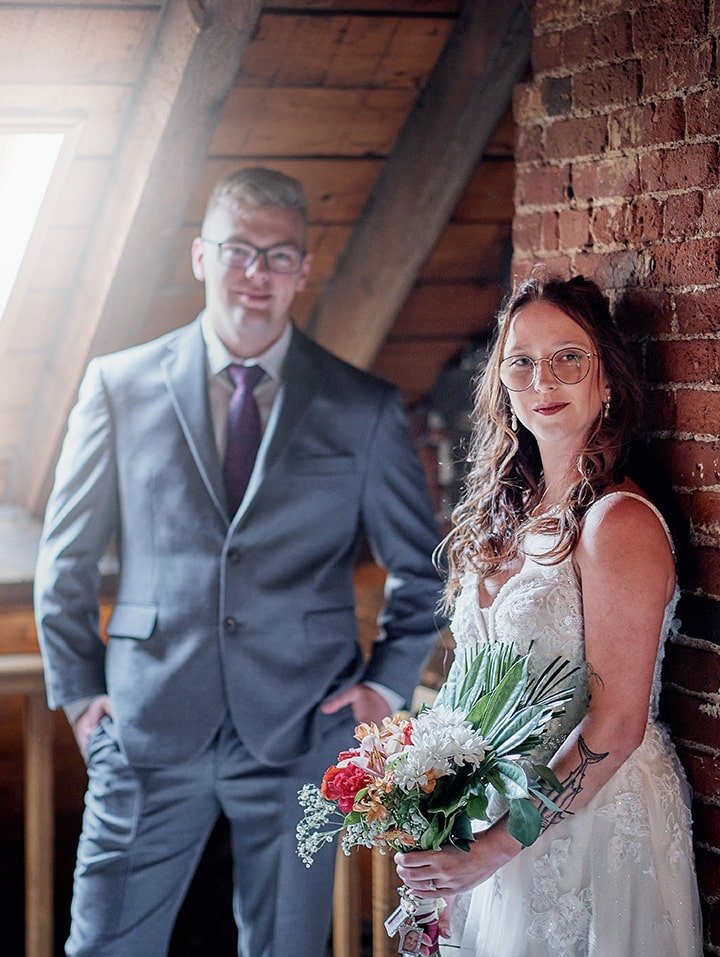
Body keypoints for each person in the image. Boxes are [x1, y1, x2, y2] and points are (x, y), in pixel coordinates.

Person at [34, 166, 442, 957]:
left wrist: (384, 687)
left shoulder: (361, 406)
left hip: (304, 729)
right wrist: (82, 698)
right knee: (104, 945)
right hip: (144, 725)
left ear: (303, 269)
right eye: (238, 251)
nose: (257, 274)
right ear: (201, 256)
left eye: (279, 255)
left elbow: (422, 570)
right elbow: (65, 562)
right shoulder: (116, 386)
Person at [395, 273, 703, 956]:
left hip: (592, 826)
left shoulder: (615, 523)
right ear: (502, 385)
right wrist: (439, 825)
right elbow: (469, 692)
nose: (544, 380)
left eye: (569, 358)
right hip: (499, 820)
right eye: (522, 362)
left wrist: (492, 849)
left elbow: (616, 726)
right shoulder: (507, 516)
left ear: (608, 380)